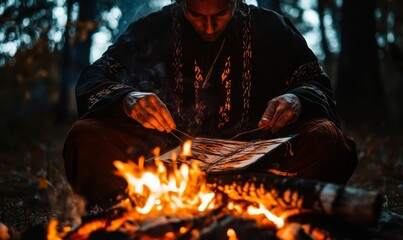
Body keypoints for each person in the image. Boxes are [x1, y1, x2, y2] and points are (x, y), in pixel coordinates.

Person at [63, 0, 358, 206]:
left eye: (219, 14)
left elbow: (315, 81)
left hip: (261, 159)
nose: (207, 27)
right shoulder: (152, 29)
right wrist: (127, 99)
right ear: (180, 3)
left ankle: (256, 202)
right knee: (85, 136)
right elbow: (96, 76)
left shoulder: (271, 28)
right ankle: (144, 207)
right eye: (195, 14)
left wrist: (295, 99)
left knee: (327, 140)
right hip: (167, 156)